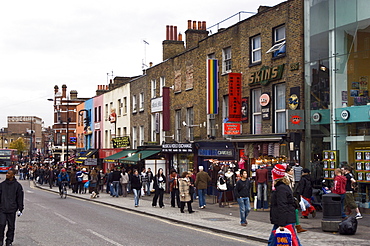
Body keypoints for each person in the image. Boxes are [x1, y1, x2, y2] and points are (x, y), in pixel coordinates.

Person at [268, 164, 301, 246]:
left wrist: (282, 224)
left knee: (293, 241)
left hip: (284, 220)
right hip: (283, 219)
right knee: (291, 240)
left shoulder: (281, 188)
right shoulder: (282, 186)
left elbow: (282, 206)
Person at [0, 169, 24, 246]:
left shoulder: (17, 186)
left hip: (12, 209)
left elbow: (20, 198)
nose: (7, 174)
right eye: (7, 173)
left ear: (13, 175)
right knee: (1, 225)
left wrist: (20, 209)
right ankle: (0, 241)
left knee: (11, 227)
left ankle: (9, 241)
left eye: (9, 173)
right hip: (2, 209)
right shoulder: (2, 185)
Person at [285, 165, 307, 233]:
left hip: (290, 195)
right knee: (294, 211)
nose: (292, 172)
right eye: (291, 170)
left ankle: (297, 226)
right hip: (287, 197)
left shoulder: (291, 178)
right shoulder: (286, 178)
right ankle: (296, 227)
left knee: (295, 211)